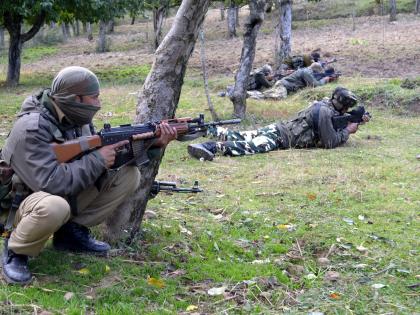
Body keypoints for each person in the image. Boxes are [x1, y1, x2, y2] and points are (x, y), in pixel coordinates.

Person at [0, 66, 177, 285]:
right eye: (94, 97)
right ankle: (15, 250)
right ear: (76, 98)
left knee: (128, 176)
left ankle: (70, 235)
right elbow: (51, 182)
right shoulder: (31, 128)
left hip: (51, 195)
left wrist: (152, 143)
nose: (98, 103)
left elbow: (93, 160)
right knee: (55, 206)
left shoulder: (76, 118)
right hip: (17, 206)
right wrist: (99, 159)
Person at [188, 87, 369, 161]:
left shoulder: (324, 105)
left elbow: (334, 124)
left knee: (241, 135)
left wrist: (353, 121)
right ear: (344, 105)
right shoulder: (324, 112)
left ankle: (206, 129)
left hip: (277, 128)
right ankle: (210, 146)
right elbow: (329, 142)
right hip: (280, 138)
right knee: (249, 146)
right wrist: (348, 131)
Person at [247, 62, 336, 100]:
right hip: (283, 86)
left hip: (283, 85)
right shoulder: (307, 72)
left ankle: (251, 94)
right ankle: (250, 95)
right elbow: (315, 84)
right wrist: (325, 79)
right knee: (275, 97)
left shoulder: (306, 71)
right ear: (315, 70)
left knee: (269, 95)